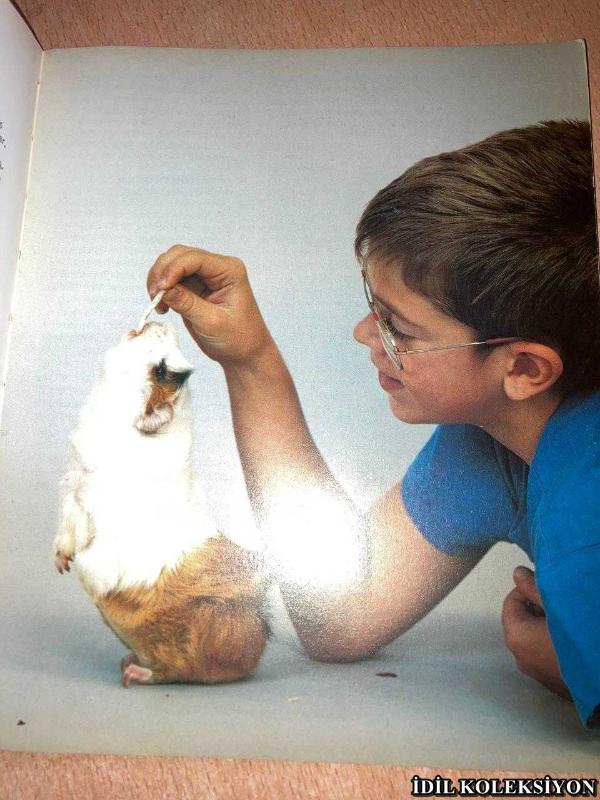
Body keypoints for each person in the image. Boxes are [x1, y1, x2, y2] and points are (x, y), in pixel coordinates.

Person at [146, 119, 600, 728]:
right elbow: (340, 615)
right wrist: (250, 360)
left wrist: (581, 666)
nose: (364, 334)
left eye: (398, 329)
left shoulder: (584, 512)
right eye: (373, 307)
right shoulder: (489, 444)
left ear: (523, 367)